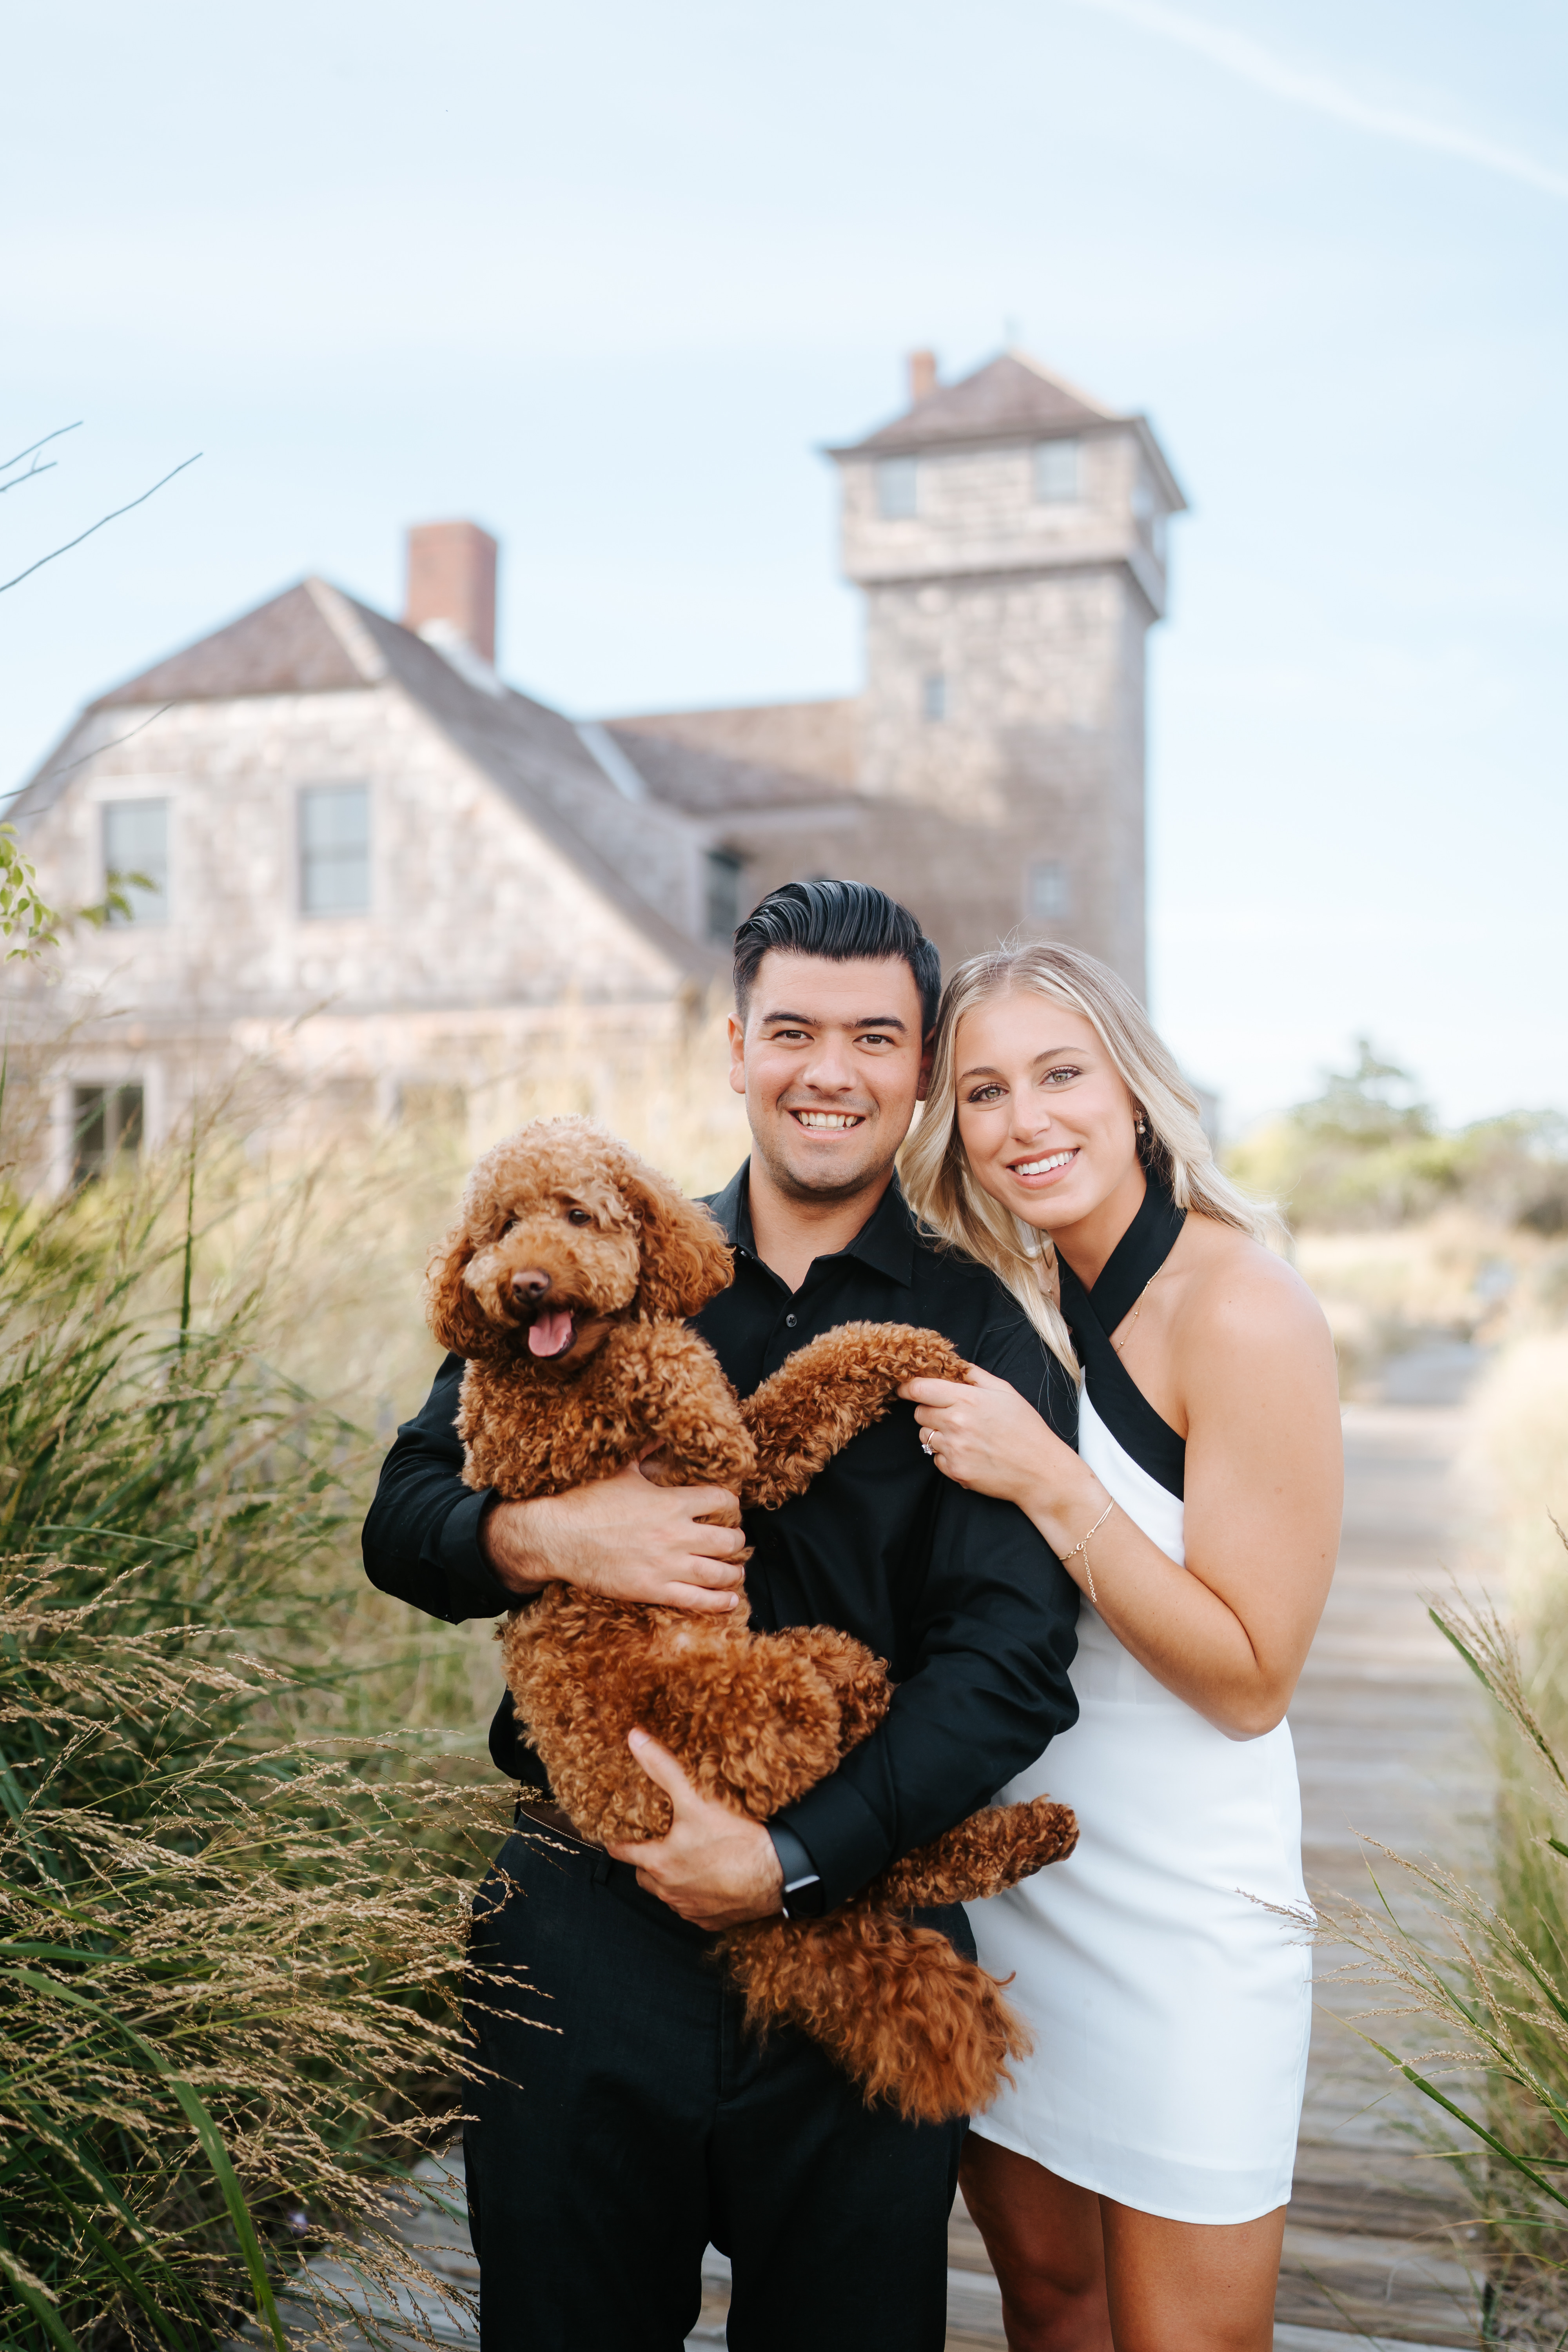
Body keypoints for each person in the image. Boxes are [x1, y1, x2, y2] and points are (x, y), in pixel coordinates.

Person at [362, 880, 1082, 2352]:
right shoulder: (591, 1250)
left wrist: (788, 1860)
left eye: (875, 1037)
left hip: (858, 1902)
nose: (832, 1071)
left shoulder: (987, 1326)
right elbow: (401, 1520)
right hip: (582, 1922)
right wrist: (547, 1531)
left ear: (923, 1066)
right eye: (796, 1031)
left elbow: (1006, 1665)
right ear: (737, 1044)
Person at [897, 942, 1343, 2352]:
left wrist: (1055, 1484)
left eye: (1059, 1075)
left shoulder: (1243, 1307)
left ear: (1134, 1093)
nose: (1026, 1120)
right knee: (1051, 2301)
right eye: (983, 1092)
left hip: (1189, 1922)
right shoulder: (1007, 1302)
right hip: (1020, 1892)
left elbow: (1249, 1677)